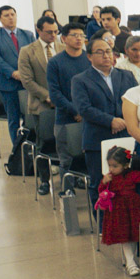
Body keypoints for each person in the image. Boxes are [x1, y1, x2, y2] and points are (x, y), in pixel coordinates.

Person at [71, 33, 138, 210]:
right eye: (100, 52)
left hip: (125, 135)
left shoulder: (126, 76)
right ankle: (101, 222)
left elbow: (135, 102)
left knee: (128, 183)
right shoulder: (80, 80)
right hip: (97, 138)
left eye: (108, 51)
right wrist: (111, 121)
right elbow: (84, 108)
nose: (106, 56)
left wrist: (123, 121)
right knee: (100, 184)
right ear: (89, 56)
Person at [95, 146, 140, 277]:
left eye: (115, 166)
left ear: (126, 165)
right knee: (124, 236)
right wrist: (103, 182)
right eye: (109, 166)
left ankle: (131, 259)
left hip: (133, 208)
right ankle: (130, 263)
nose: (111, 169)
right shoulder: (110, 178)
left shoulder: (132, 174)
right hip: (118, 210)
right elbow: (101, 191)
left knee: (134, 234)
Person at [47, 23, 92, 176]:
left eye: (81, 35)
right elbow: (55, 94)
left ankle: (85, 183)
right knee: (66, 160)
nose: (79, 39)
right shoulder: (55, 62)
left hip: (89, 117)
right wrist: (76, 111)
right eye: (74, 35)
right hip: (65, 118)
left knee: (88, 158)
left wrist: (85, 112)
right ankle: (67, 186)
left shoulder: (89, 60)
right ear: (64, 39)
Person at [0, 5, 35, 144]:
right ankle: (17, 148)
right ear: (0, 19)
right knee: (13, 119)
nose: (10, 18)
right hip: (7, 83)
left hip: (26, 83)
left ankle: (28, 145)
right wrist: (13, 73)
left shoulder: (27, 35)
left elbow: (34, 56)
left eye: (12, 14)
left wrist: (25, 73)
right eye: (6, 15)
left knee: (29, 118)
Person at [18, 15, 59, 127]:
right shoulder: (27, 51)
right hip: (40, 103)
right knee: (45, 136)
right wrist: (47, 96)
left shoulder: (63, 48)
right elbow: (27, 80)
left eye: (56, 31)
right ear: (38, 31)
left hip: (64, 104)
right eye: (49, 32)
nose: (53, 35)